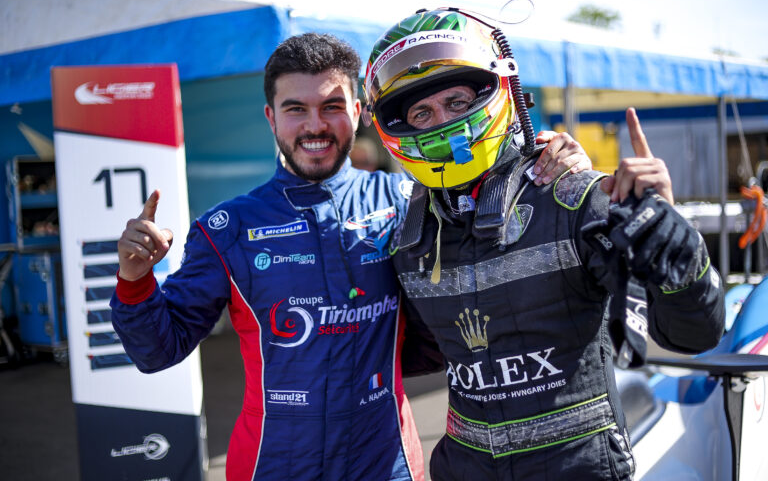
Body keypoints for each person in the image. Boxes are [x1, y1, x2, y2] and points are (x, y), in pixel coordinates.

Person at [110, 32, 593, 481]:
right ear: (270, 117)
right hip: (272, 462)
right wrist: (135, 280)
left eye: (332, 106)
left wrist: (551, 164)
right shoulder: (228, 228)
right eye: (296, 108)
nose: (315, 125)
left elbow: (502, 232)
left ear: (360, 111)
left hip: (386, 461)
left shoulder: (414, 201)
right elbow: (157, 350)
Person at [363, 8, 725, 480]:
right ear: (397, 125)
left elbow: (693, 336)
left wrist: (679, 247)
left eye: (456, 101)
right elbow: (417, 352)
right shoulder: (409, 237)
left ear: (497, 92)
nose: (443, 122)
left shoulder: (576, 197)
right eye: (422, 112)